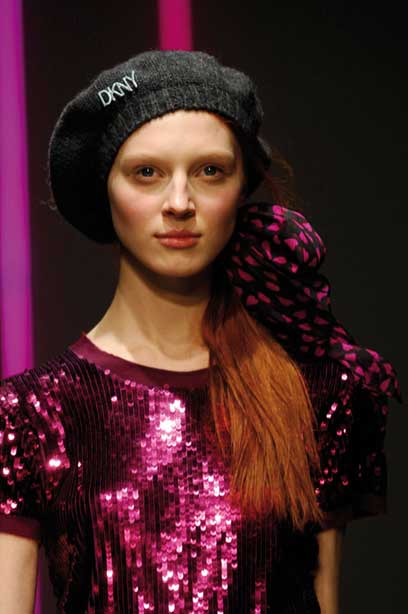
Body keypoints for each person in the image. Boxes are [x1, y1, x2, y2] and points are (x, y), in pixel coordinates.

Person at [0, 50, 402, 614]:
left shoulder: (315, 394)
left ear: (242, 188)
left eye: (210, 171)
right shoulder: (31, 415)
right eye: (147, 173)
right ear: (104, 191)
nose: (180, 203)